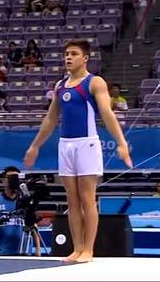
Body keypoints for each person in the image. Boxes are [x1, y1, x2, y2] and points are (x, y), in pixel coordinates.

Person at [24, 39, 132, 263]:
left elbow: (107, 114)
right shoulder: (60, 86)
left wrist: (121, 142)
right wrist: (35, 146)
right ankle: (77, 248)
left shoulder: (94, 83)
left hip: (87, 144)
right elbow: (51, 119)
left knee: (86, 199)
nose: (68, 57)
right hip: (66, 145)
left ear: (85, 58)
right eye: (66, 54)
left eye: (73, 53)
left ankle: (89, 250)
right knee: (71, 201)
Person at [0, 166, 40, 256]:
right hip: (1, 252)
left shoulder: (26, 200)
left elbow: (33, 225)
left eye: (16, 178)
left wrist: (38, 249)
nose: (13, 180)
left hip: (24, 251)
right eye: (10, 178)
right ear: (3, 180)